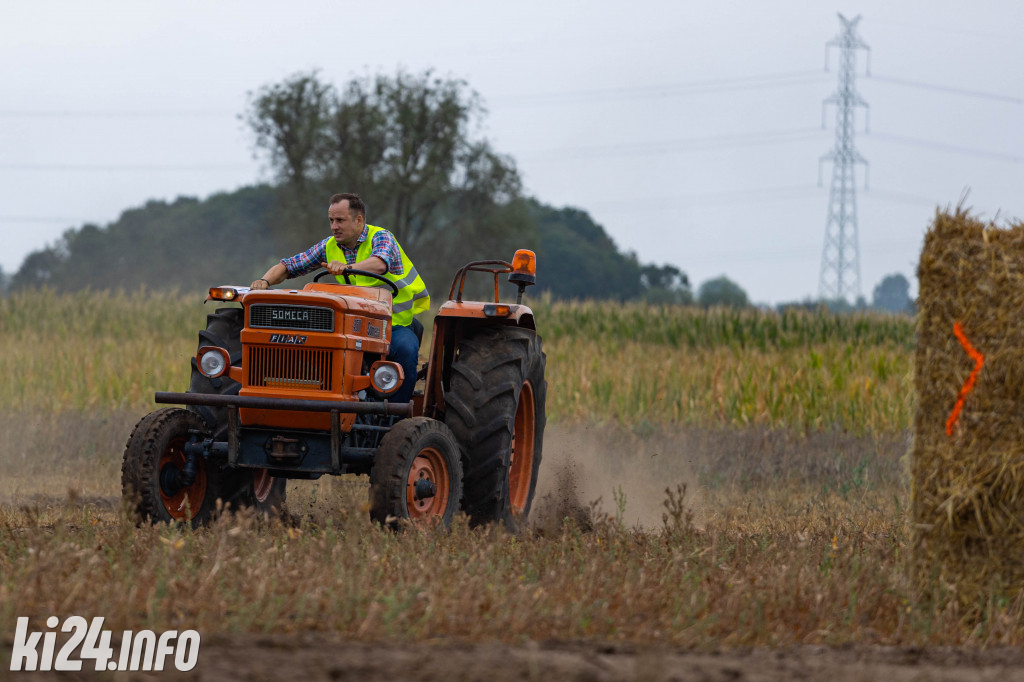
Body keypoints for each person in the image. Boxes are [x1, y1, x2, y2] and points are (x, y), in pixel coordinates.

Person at [251, 193, 430, 404]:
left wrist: (347, 268)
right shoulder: (329, 246)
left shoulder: (381, 237)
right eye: (331, 220)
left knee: (407, 351)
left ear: (359, 220)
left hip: (393, 325)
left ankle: (395, 418)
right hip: (353, 327)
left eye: (340, 220)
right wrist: (264, 282)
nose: (334, 226)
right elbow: (288, 266)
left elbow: (380, 263)